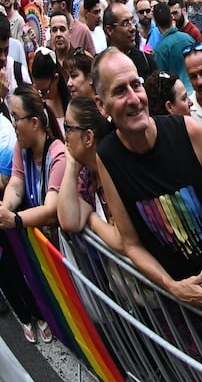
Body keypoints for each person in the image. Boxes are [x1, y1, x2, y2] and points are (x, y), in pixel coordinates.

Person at [92, 48, 202, 382]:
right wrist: (173, 287)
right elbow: (131, 243)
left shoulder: (186, 131)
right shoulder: (108, 157)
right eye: (119, 91)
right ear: (101, 106)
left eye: (136, 85)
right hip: (198, 308)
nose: (133, 98)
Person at [0, 86, 66, 343]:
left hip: (63, 246)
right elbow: (16, 184)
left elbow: (50, 210)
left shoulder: (57, 154)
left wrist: (14, 220)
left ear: (35, 122)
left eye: (16, 117)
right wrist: (6, 208)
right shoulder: (22, 147)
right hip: (44, 247)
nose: (13, 124)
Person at [56, 95, 122, 250]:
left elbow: (121, 242)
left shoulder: (116, 170)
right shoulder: (88, 174)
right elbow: (69, 221)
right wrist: (71, 167)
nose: (65, 138)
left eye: (68, 128)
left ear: (88, 138)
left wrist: (92, 219)